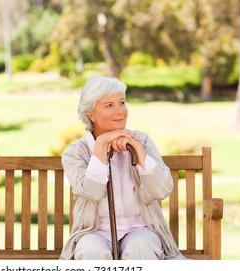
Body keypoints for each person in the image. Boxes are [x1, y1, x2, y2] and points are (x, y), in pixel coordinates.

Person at [59, 75, 185, 260]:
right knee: (92, 252)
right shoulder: (75, 153)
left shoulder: (142, 141)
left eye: (122, 102)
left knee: (140, 247)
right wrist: (101, 145)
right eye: (109, 105)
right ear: (91, 115)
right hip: (94, 232)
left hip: (141, 229)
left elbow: (162, 190)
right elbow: (92, 191)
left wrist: (139, 151)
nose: (120, 111)